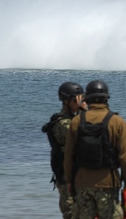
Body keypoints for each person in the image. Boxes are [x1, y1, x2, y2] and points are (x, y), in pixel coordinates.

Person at [64, 80, 126, 219]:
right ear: (106, 98)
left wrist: (69, 182)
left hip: (82, 183)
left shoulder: (76, 121)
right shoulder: (118, 122)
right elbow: (125, 157)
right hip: (108, 185)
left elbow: (68, 156)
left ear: (87, 98)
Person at [42, 82, 87, 219]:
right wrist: (85, 112)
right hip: (66, 177)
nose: (80, 103)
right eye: (76, 100)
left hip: (79, 175)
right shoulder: (61, 123)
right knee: (71, 214)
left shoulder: (75, 119)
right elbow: (85, 132)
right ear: (66, 102)